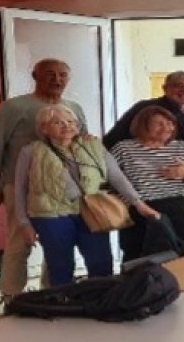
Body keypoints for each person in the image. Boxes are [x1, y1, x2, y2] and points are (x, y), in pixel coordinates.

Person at [0, 58, 87, 299]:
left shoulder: (74, 108)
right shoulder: (13, 108)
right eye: (50, 74)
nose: (56, 80)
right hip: (20, 186)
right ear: (35, 76)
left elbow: (81, 146)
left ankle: (52, 293)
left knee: (59, 242)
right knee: (20, 242)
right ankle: (12, 297)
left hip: (63, 188)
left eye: (62, 75)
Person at [13, 105, 159, 286]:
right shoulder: (30, 151)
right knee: (60, 266)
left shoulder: (93, 145)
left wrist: (138, 203)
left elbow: (116, 176)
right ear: (43, 128)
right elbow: (20, 189)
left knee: (101, 263)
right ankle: (63, 300)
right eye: (58, 122)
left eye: (70, 122)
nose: (66, 126)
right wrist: (24, 223)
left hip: (91, 210)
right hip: (51, 215)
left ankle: (100, 298)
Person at [110, 105, 184, 262]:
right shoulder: (124, 148)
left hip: (175, 207)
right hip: (139, 208)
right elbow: (110, 179)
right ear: (143, 125)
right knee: (136, 255)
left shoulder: (181, 147)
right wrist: (130, 202)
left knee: (175, 253)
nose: (166, 128)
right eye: (159, 124)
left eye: (170, 123)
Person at [104, 70, 184, 169]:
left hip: (183, 175)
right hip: (142, 173)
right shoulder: (145, 108)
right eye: (178, 86)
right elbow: (114, 138)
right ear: (165, 88)